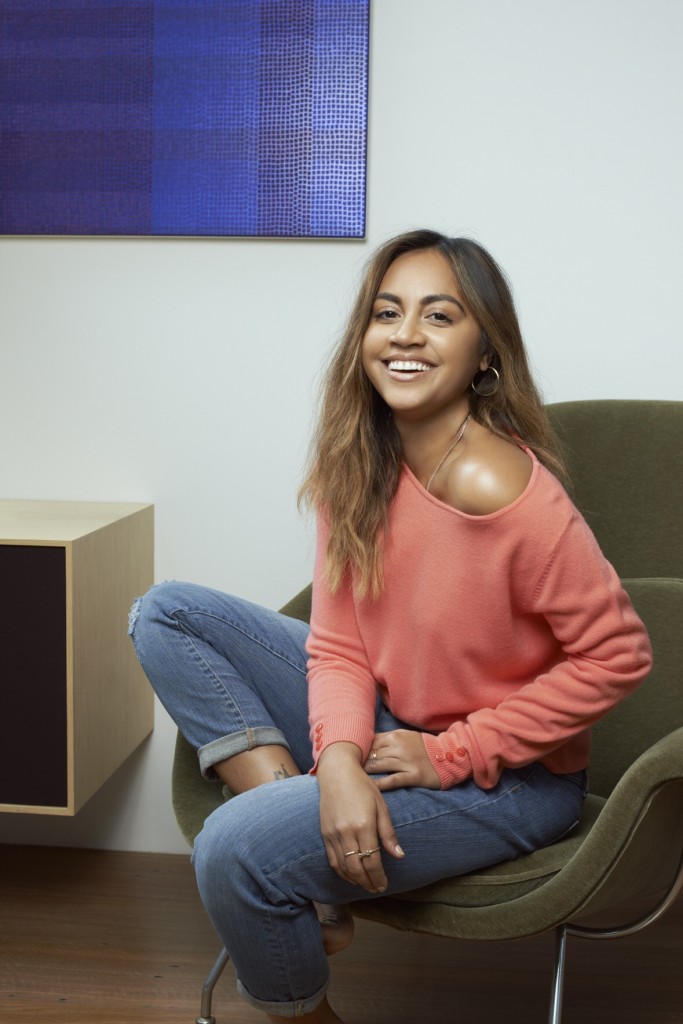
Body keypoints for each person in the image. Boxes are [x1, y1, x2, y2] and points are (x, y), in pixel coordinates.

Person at [128, 229, 652, 1023]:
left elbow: (618, 655)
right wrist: (339, 766)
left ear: (484, 353)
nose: (405, 335)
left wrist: (449, 753)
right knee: (166, 614)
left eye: (438, 316)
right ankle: (314, 843)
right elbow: (339, 645)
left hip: (510, 782)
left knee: (232, 846)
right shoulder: (358, 463)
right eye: (386, 313)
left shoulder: (501, 485)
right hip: (388, 724)